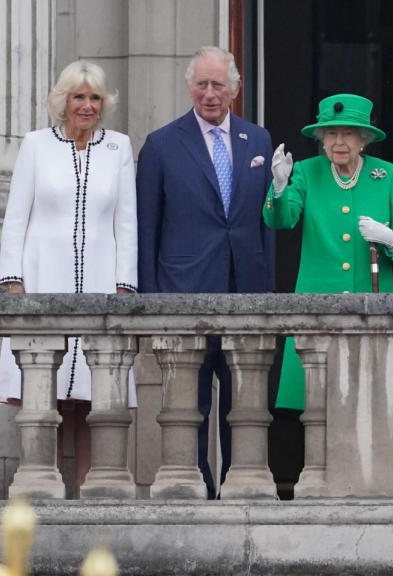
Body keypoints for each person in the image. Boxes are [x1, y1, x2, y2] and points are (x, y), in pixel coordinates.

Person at [136, 46, 275, 499]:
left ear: (235, 88)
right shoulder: (161, 144)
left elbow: (265, 223)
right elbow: (147, 226)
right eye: (202, 84)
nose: (209, 94)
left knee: (245, 406)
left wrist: (267, 294)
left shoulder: (258, 141)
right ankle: (195, 488)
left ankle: (239, 487)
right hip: (184, 294)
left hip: (245, 294)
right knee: (188, 407)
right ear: (189, 87)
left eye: (218, 85)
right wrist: (152, 302)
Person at [0, 60, 137, 494]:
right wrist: (13, 281)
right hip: (44, 282)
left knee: (95, 399)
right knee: (46, 395)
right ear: (63, 101)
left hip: (99, 284)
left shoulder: (118, 147)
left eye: (95, 97)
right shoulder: (36, 145)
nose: (88, 106)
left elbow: (126, 223)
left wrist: (122, 287)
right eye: (79, 96)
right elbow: (16, 218)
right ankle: (43, 492)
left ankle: (94, 495)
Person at [265, 93, 393, 411]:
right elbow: (281, 219)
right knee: (316, 410)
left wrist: (389, 238)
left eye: (348, 133)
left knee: (370, 408)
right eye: (332, 133)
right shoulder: (308, 172)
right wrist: (279, 188)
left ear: (364, 139)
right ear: (321, 139)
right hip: (317, 311)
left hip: (371, 315)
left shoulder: (387, 175)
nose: (339, 141)